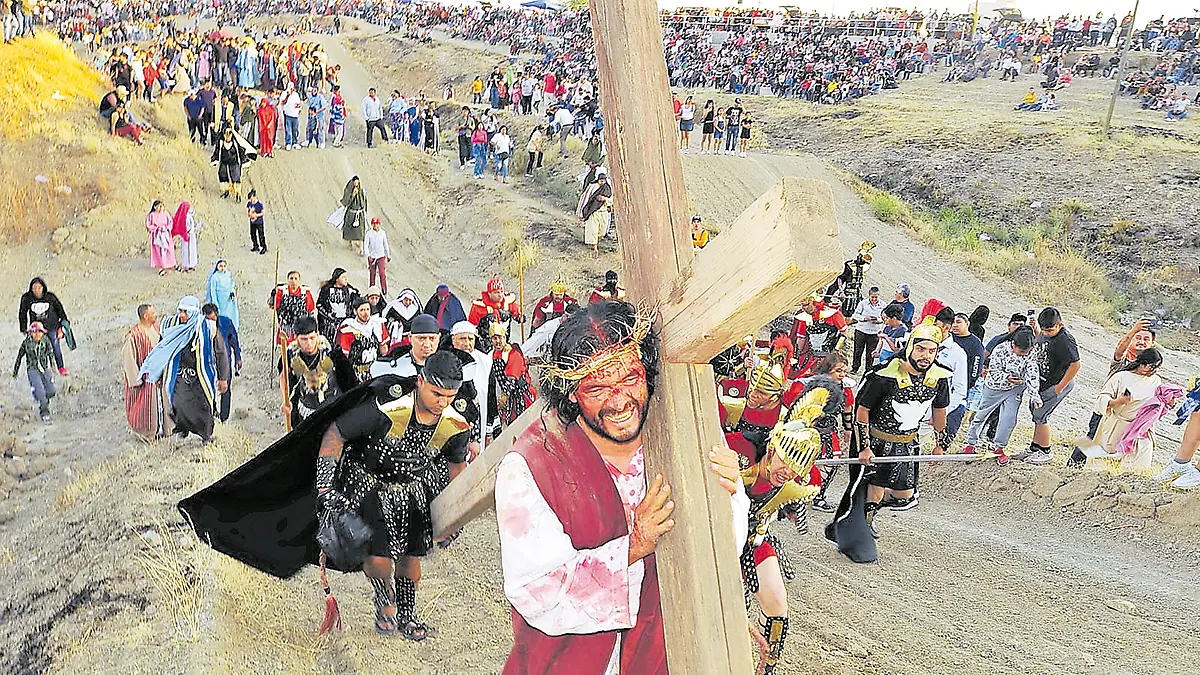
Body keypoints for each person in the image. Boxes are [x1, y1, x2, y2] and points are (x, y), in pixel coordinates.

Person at [494, 300, 748, 673]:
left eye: (630, 378)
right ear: (570, 392)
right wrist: (633, 546)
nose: (619, 400)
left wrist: (728, 492)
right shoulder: (530, 466)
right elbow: (537, 590)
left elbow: (721, 548)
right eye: (597, 387)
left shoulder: (682, 439)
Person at [827, 318, 951, 563]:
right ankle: (862, 524)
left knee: (905, 495)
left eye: (932, 350)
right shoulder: (885, 374)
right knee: (873, 487)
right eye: (921, 349)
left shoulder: (938, 377)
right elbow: (862, 411)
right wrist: (864, 446)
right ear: (911, 346)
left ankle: (866, 510)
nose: (926, 355)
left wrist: (940, 443)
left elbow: (940, 413)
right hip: (876, 442)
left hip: (907, 443)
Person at [726, 388, 826, 674]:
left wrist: (793, 508)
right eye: (784, 460)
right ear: (772, 449)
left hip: (755, 539)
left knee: (778, 608)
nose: (787, 471)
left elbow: (798, 497)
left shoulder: (800, 483)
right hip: (717, 536)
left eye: (796, 468)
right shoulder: (737, 447)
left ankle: (765, 668)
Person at [138, 296, 230, 444]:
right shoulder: (171, 326)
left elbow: (220, 352)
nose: (181, 315)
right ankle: (183, 429)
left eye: (185, 312)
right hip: (179, 373)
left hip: (201, 375)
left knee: (203, 406)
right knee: (179, 404)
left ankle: (206, 436)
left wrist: (223, 377)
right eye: (180, 311)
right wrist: (159, 374)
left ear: (193, 313)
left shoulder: (207, 328)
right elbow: (163, 350)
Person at [1075, 348, 1167, 472]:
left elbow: (1157, 403)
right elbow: (1102, 398)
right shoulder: (1121, 377)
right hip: (1116, 425)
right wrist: (1117, 402)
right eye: (1153, 367)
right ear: (1143, 365)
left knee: (1136, 468)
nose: (1155, 370)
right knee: (1103, 465)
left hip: (1140, 429)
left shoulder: (1156, 381)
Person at [962, 326, 1040, 464]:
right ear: (1013, 344)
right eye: (1021, 351)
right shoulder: (1000, 349)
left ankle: (999, 447)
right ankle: (971, 443)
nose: (1023, 354)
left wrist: (1035, 395)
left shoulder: (1032, 352)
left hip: (1015, 389)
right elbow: (994, 370)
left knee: (1009, 418)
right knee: (981, 415)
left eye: (1026, 352)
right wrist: (1006, 378)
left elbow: (1033, 373)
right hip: (994, 387)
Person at [1013, 307, 1080, 464]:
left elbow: (1075, 364)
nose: (1046, 333)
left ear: (1060, 325)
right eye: (1043, 330)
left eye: (1049, 330)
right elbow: (1040, 341)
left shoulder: (1065, 340)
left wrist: (1060, 387)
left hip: (1057, 383)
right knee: (1036, 412)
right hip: (1043, 381)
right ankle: (1035, 447)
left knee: (1042, 415)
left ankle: (1045, 450)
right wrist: (1037, 330)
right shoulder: (1043, 333)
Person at [279, 315, 355, 428]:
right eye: (304, 339)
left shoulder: (332, 353)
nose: (309, 343)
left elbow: (349, 381)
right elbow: (284, 377)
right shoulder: (290, 355)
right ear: (296, 338)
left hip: (332, 408)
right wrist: (286, 401)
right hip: (305, 410)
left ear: (317, 334)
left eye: (312, 338)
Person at [122, 303, 166, 440]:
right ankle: (146, 434)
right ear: (145, 316)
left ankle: (163, 430)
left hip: (160, 378)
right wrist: (136, 380)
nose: (156, 315)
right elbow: (128, 359)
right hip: (145, 381)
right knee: (144, 409)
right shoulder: (134, 336)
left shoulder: (158, 329)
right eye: (153, 313)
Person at [450, 320, 494, 448]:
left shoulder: (485, 361)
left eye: (470, 339)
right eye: (462, 338)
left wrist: (489, 429)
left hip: (479, 420)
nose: (467, 343)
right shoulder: (445, 360)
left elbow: (491, 394)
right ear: (453, 340)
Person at [487, 320, 535, 430]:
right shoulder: (495, 354)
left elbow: (511, 379)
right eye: (494, 338)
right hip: (510, 395)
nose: (498, 341)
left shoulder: (513, 354)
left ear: (505, 337)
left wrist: (503, 398)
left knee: (522, 424)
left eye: (500, 337)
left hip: (520, 395)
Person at [18, 277, 70, 376]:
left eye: (39, 288)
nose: (37, 290)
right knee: (37, 349)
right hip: (36, 329)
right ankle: (40, 369)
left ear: (43, 287)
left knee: (55, 347)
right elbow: (22, 313)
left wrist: (62, 327)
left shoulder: (50, 297)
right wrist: (24, 328)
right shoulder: (27, 298)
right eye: (34, 288)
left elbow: (60, 311)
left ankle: (61, 367)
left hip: (52, 327)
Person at [203, 303, 241, 423]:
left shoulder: (226, 323)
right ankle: (212, 414)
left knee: (226, 389)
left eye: (212, 318)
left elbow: (234, 341)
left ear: (217, 314)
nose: (211, 322)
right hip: (208, 363)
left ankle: (224, 417)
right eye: (208, 319)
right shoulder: (202, 326)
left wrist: (238, 358)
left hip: (225, 362)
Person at [12, 322, 56, 424]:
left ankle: (43, 400)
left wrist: (53, 365)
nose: (39, 335)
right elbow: (19, 357)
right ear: (32, 333)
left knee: (51, 391)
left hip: (44, 368)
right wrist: (15, 372)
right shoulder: (26, 343)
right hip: (33, 369)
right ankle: (44, 413)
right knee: (40, 393)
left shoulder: (45, 340)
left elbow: (50, 352)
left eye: (41, 333)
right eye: (37, 333)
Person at [339, 296, 390, 383]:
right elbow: (344, 355)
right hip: (356, 372)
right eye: (362, 310)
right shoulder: (349, 328)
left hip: (374, 370)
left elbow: (383, 348)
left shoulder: (377, 325)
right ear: (355, 312)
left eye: (367, 309)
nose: (366, 313)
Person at [848, 287, 886, 374]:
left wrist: (878, 320)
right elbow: (855, 315)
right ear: (869, 296)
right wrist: (864, 318)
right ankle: (855, 368)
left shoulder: (883, 305)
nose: (874, 299)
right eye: (872, 297)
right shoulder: (863, 303)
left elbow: (885, 318)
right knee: (858, 351)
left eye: (876, 297)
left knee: (870, 353)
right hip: (861, 330)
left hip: (874, 332)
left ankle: (868, 370)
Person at [271, 270, 317, 341]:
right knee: (286, 346)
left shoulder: (305, 292)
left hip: (301, 325)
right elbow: (273, 305)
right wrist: (273, 296)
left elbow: (310, 309)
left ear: (299, 281)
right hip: (286, 325)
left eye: (296, 279)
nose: (293, 281)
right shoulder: (282, 291)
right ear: (288, 280)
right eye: (291, 278)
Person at [317, 268, 358, 346]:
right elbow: (319, 305)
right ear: (336, 278)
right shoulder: (326, 290)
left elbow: (355, 305)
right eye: (343, 277)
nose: (346, 279)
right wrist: (328, 315)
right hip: (329, 323)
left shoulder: (350, 291)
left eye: (346, 277)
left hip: (345, 322)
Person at [211, 126, 251, 200]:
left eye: (229, 135)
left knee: (236, 177)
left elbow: (240, 152)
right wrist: (215, 159)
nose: (228, 137)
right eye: (226, 135)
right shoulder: (220, 142)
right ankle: (226, 191)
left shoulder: (235, 143)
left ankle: (238, 194)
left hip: (234, 162)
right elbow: (217, 152)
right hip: (224, 162)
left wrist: (244, 160)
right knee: (222, 175)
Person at [580, 172, 613, 257]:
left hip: (604, 212)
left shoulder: (608, 189)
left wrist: (604, 199)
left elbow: (612, 200)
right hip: (594, 212)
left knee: (602, 231)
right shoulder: (593, 187)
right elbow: (586, 198)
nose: (602, 182)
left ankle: (596, 242)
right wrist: (582, 212)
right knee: (593, 230)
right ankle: (595, 248)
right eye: (600, 181)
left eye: (603, 181)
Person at [205, 259, 241, 332]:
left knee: (229, 313)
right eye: (221, 266)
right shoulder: (215, 277)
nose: (223, 268)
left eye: (224, 266)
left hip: (228, 299)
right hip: (220, 298)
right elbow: (213, 290)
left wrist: (232, 293)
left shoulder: (228, 274)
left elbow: (231, 285)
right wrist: (215, 301)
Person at [146, 200, 176, 277]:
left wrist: (167, 228)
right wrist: (156, 228)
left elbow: (170, 222)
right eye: (159, 206)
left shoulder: (166, 214)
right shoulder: (151, 215)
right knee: (159, 251)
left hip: (165, 234)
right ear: (155, 207)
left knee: (168, 249)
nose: (161, 208)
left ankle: (169, 264)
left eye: (162, 206)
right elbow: (149, 225)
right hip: (157, 235)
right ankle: (160, 266)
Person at [171, 201, 202, 273]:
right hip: (189, 235)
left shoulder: (185, 216)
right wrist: (194, 229)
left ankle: (190, 265)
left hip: (188, 235)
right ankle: (188, 265)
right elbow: (187, 227)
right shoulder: (187, 217)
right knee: (189, 250)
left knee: (188, 250)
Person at [364, 217, 391, 295]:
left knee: (382, 273)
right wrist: (368, 255)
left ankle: (384, 289)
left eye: (377, 224)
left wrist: (388, 254)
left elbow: (385, 244)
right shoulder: (369, 233)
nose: (376, 226)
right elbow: (366, 244)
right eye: (374, 224)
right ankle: (371, 289)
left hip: (381, 256)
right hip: (372, 256)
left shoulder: (382, 233)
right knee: (372, 274)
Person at [341, 176, 367, 245]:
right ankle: (350, 242)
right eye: (355, 183)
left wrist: (364, 211)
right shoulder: (349, 190)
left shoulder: (361, 191)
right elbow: (347, 202)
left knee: (360, 230)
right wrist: (353, 195)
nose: (356, 185)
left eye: (357, 183)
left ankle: (361, 245)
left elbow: (363, 202)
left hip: (359, 213)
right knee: (350, 229)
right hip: (351, 213)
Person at [281, 82, 301, 150]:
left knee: (295, 130)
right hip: (288, 114)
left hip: (295, 115)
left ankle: (295, 142)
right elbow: (283, 102)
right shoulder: (284, 93)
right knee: (288, 130)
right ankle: (288, 143)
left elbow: (299, 104)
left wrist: (298, 107)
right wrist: (287, 96)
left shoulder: (296, 95)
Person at [256, 93, 278, 158]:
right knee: (263, 140)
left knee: (269, 139)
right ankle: (264, 151)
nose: (263, 104)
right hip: (263, 127)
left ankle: (270, 151)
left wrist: (269, 124)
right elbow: (260, 119)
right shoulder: (260, 110)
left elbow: (272, 118)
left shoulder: (270, 109)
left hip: (269, 127)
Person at [247, 189, 267, 254]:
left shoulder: (259, 204)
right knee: (252, 234)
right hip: (252, 221)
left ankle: (264, 247)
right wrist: (249, 214)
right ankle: (255, 245)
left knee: (261, 235)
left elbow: (263, 213)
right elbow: (248, 209)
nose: (251, 200)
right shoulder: (249, 203)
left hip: (259, 222)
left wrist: (256, 215)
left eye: (251, 199)